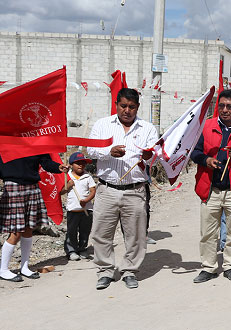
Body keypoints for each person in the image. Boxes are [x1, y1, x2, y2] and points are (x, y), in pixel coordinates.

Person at [87, 88, 158, 290]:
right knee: (101, 233)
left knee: (135, 234)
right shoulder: (102, 125)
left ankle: (129, 271)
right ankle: (105, 270)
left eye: (132, 107)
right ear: (116, 104)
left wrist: (148, 156)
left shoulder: (147, 128)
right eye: (123, 106)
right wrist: (109, 152)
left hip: (135, 190)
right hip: (107, 189)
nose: (127, 110)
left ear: (137, 107)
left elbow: (156, 154)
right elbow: (90, 149)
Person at [190, 89, 231, 283]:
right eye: (221, 106)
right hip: (211, 189)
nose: (225, 110)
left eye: (229, 106)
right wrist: (206, 160)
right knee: (208, 233)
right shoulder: (206, 126)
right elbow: (194, 152)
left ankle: (230, 266)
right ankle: (208, 267)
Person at [0, 155, 68, 281]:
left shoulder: (34, 139)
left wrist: (58, 167)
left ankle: (24, 267)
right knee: (16, 231)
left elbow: (45, 162)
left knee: (29, 228)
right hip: (13, 186)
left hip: (32, 186)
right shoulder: (5, 139)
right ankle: (3, 270)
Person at [61, 152, 96, 261]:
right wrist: (68, 187)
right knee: (72, 231)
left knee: (85, 230)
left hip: (87, 209)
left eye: (83, 163)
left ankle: (82, 249)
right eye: (78, 163)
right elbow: (61, 192)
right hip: (73, 209)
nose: (81, 165)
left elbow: (93, 191)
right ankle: (71, 250)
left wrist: (86, 200)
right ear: (71, 164)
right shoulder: (67, 177)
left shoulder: (87, 176)